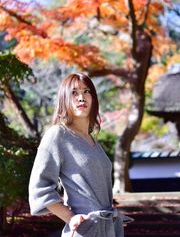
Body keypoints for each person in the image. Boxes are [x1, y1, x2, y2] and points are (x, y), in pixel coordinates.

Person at [29, 72, 130, 237]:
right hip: (84, 230)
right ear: (64, 99)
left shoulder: (94, 142)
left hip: (109, 230)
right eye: (74, 93)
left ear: (93, 98)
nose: (81, 98)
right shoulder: (58, 135)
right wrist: (70, 217)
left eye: (86, 91)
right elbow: (39, 188)